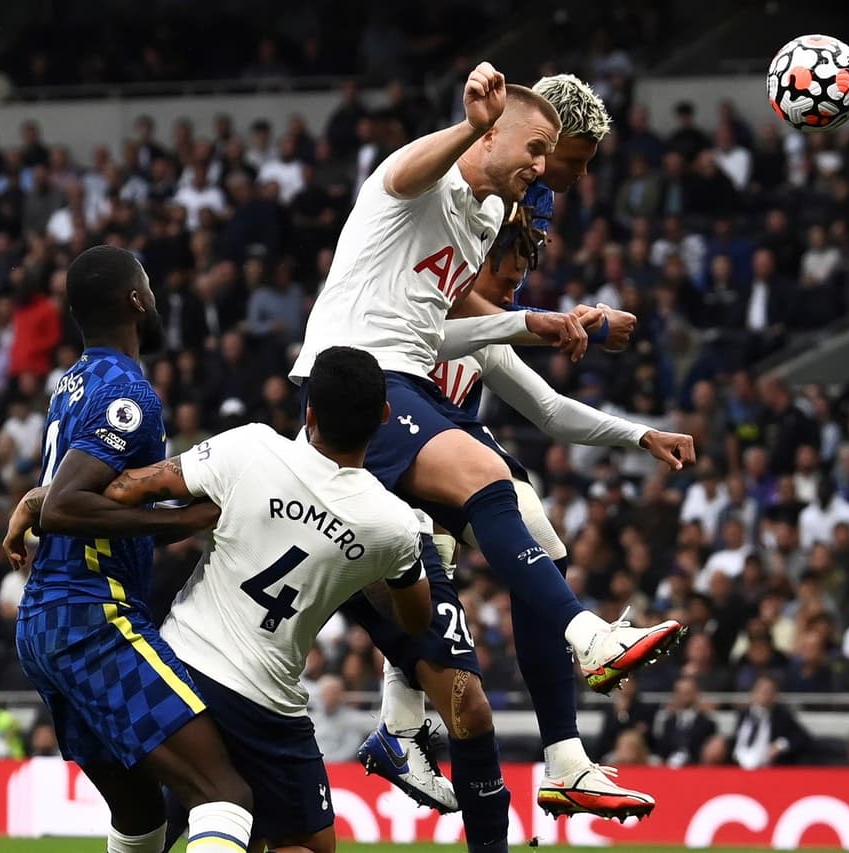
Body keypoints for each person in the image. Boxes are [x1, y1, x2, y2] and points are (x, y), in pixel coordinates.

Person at [289, 64, 682, 707]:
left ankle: (462, 735)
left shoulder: (488, 214)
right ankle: (582, 640)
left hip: (411, 380)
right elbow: (405, 177)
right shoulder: (427, 181)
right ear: (495, 135)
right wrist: (470, 125)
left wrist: (535, 324)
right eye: (543, 152)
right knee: (471, 496)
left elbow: (445, 326)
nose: (549, 170)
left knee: (497, 550)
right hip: (355, 376)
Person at [8, 345, 432, 853]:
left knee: (185, 819)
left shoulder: (249, 449)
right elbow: (414, 618)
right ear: (383, 416)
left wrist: (40, 499)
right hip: (265, 695)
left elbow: (123, 490)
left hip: (179, 662)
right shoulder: (391, 525)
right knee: (305, 841)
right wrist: (373, 565)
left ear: (310, 412)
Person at [357, 201, 693, 821]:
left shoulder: (486, 337)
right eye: (504, 280)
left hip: (425, 471)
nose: (511, 295)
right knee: (453, 549)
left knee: (530, 544)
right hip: (369, 457)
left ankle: (559, 756)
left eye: (518, 285)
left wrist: (641, 435)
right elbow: (453, 331)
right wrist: (565, 325)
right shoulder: (415, 315)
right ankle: (411, 727)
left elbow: (551, 410)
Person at [9, 246, 254, 853]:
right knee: (223, 793)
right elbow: (68, 505)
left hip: (44, 622)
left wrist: (35, 501)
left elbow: (76, 500)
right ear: (137, 301)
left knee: (142, 813)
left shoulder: (73, 383)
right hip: (91, 617)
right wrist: (189, 517)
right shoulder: (129, 392)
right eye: (149, 286)